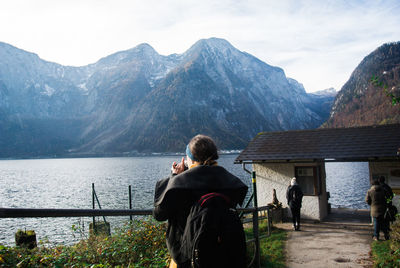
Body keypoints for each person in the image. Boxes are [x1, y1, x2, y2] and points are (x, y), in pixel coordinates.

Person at [153, 134, 248, 268]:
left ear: (190, 159)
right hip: (223, 257)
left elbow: (159, 214)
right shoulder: (230, 183)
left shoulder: (179, 185)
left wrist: (174, 177)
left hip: (186, 258)